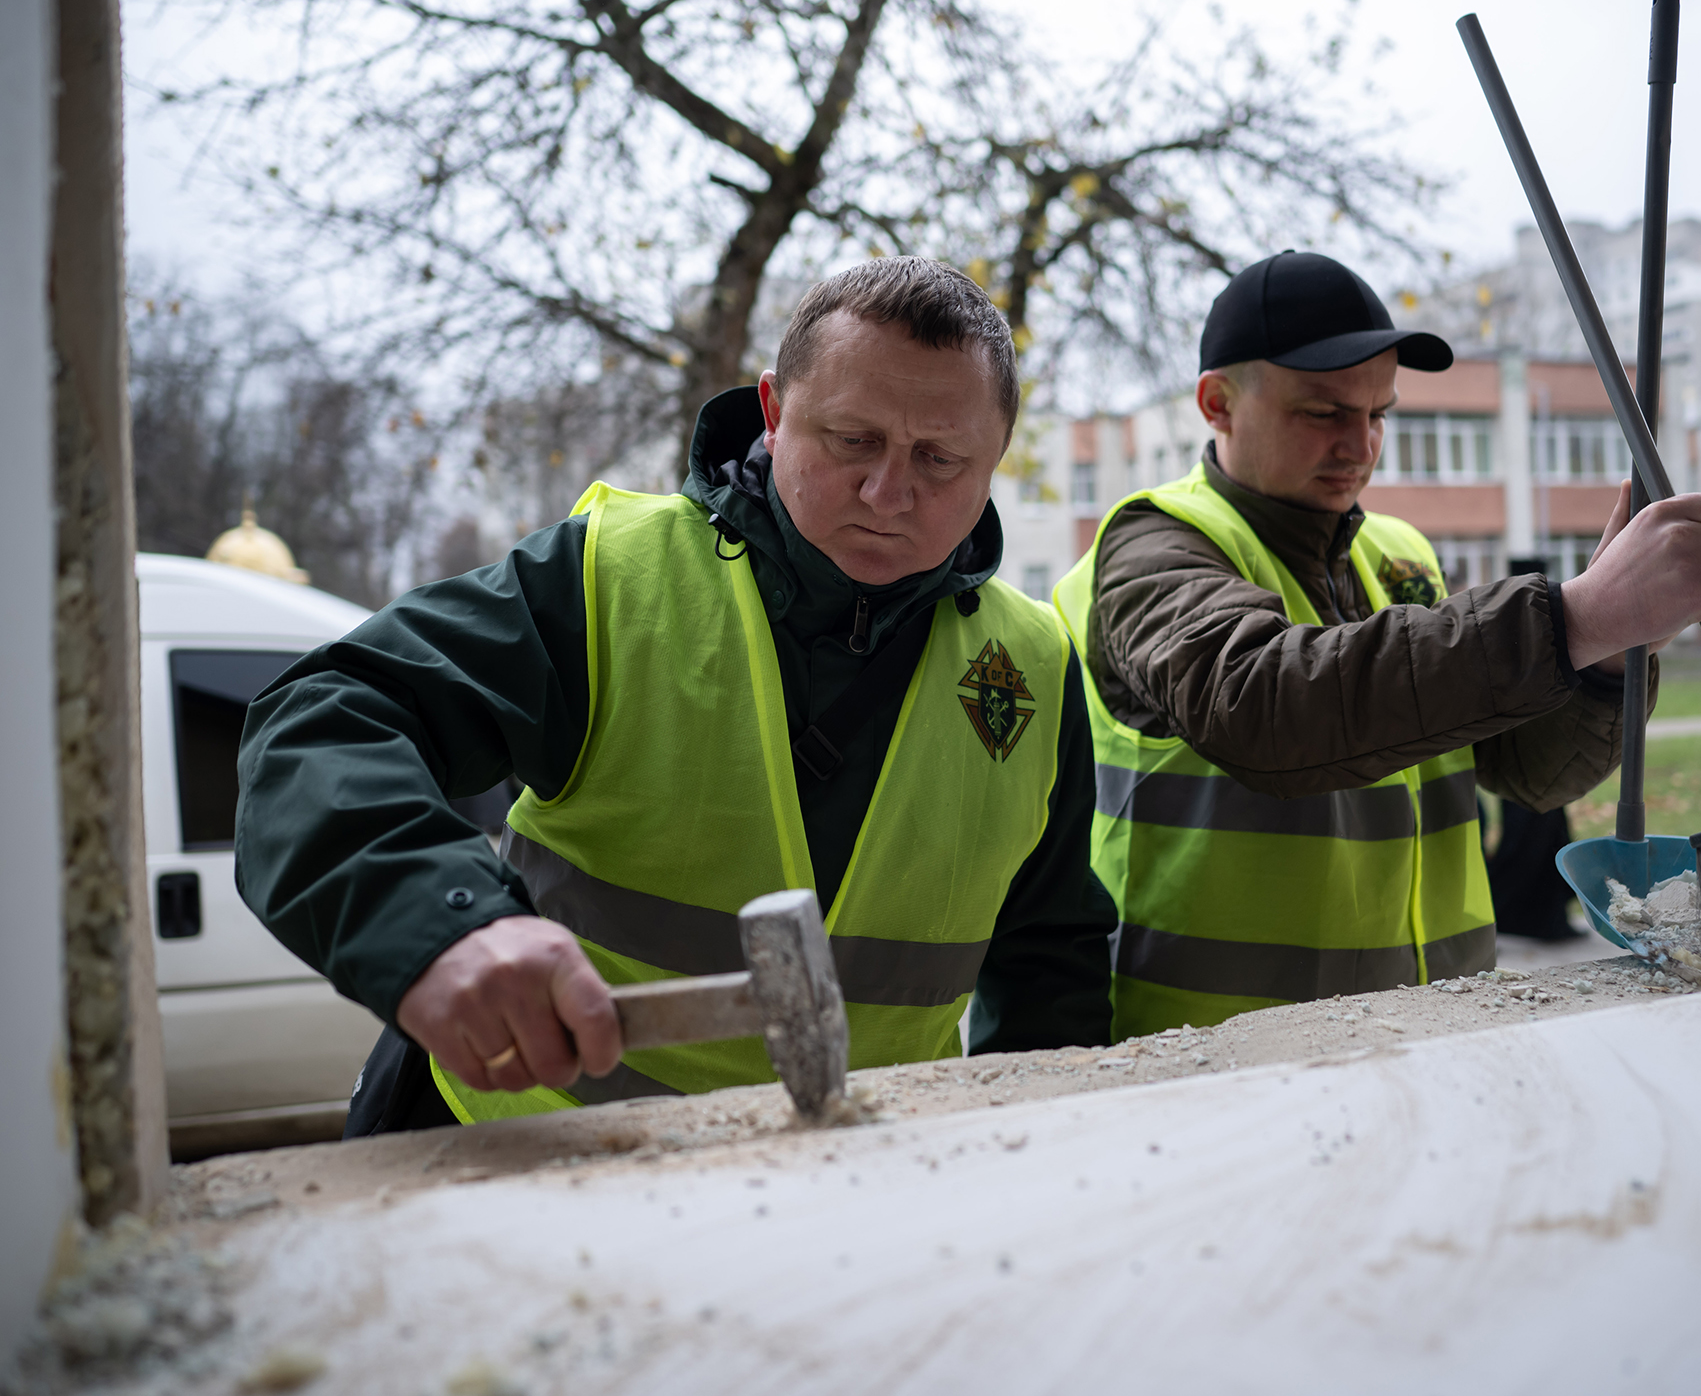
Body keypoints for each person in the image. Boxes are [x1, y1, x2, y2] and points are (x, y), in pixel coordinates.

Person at [236, 258, 1116, 1134]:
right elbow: (321, 719)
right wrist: (443, 923)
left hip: (849, 1212)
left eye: (940, 458)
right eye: (853, 440)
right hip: (528, 1170)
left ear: (996, 455)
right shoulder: (609, 581)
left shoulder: (1032, 666)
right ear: (773, 413)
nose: (889, 495)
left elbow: (1052, 968)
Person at [1052, 251, 1701, 1038]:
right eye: (1323, 413)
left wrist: (1618, 651)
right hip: (1218, 1049)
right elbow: (1266, 708)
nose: (1360, 444)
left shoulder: (1400, 552)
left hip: (1434, 1026)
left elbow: (1528, 772)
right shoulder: (1154, 542)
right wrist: (1574, 618)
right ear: (1218, 404)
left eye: (1378, 413)